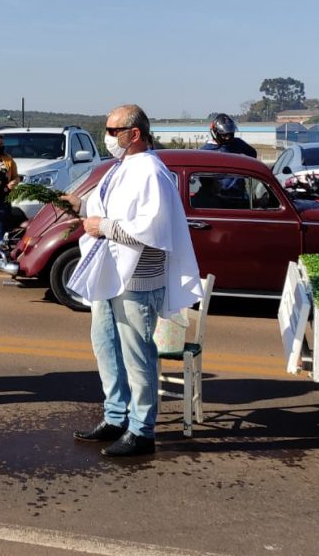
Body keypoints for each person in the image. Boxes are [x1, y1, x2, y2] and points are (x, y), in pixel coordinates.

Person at [67, 105, 204, 457]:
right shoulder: (122, 167)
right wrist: (78, 206)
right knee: (106, 347)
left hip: (137, 280)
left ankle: (142, 429)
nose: (108, 137)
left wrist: (102, 226)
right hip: (110, 274)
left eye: (113, 131)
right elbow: (103, 207)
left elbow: (153, 229)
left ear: (135, 133)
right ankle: (115, 415)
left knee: (137, 356)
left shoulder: (151, 171)